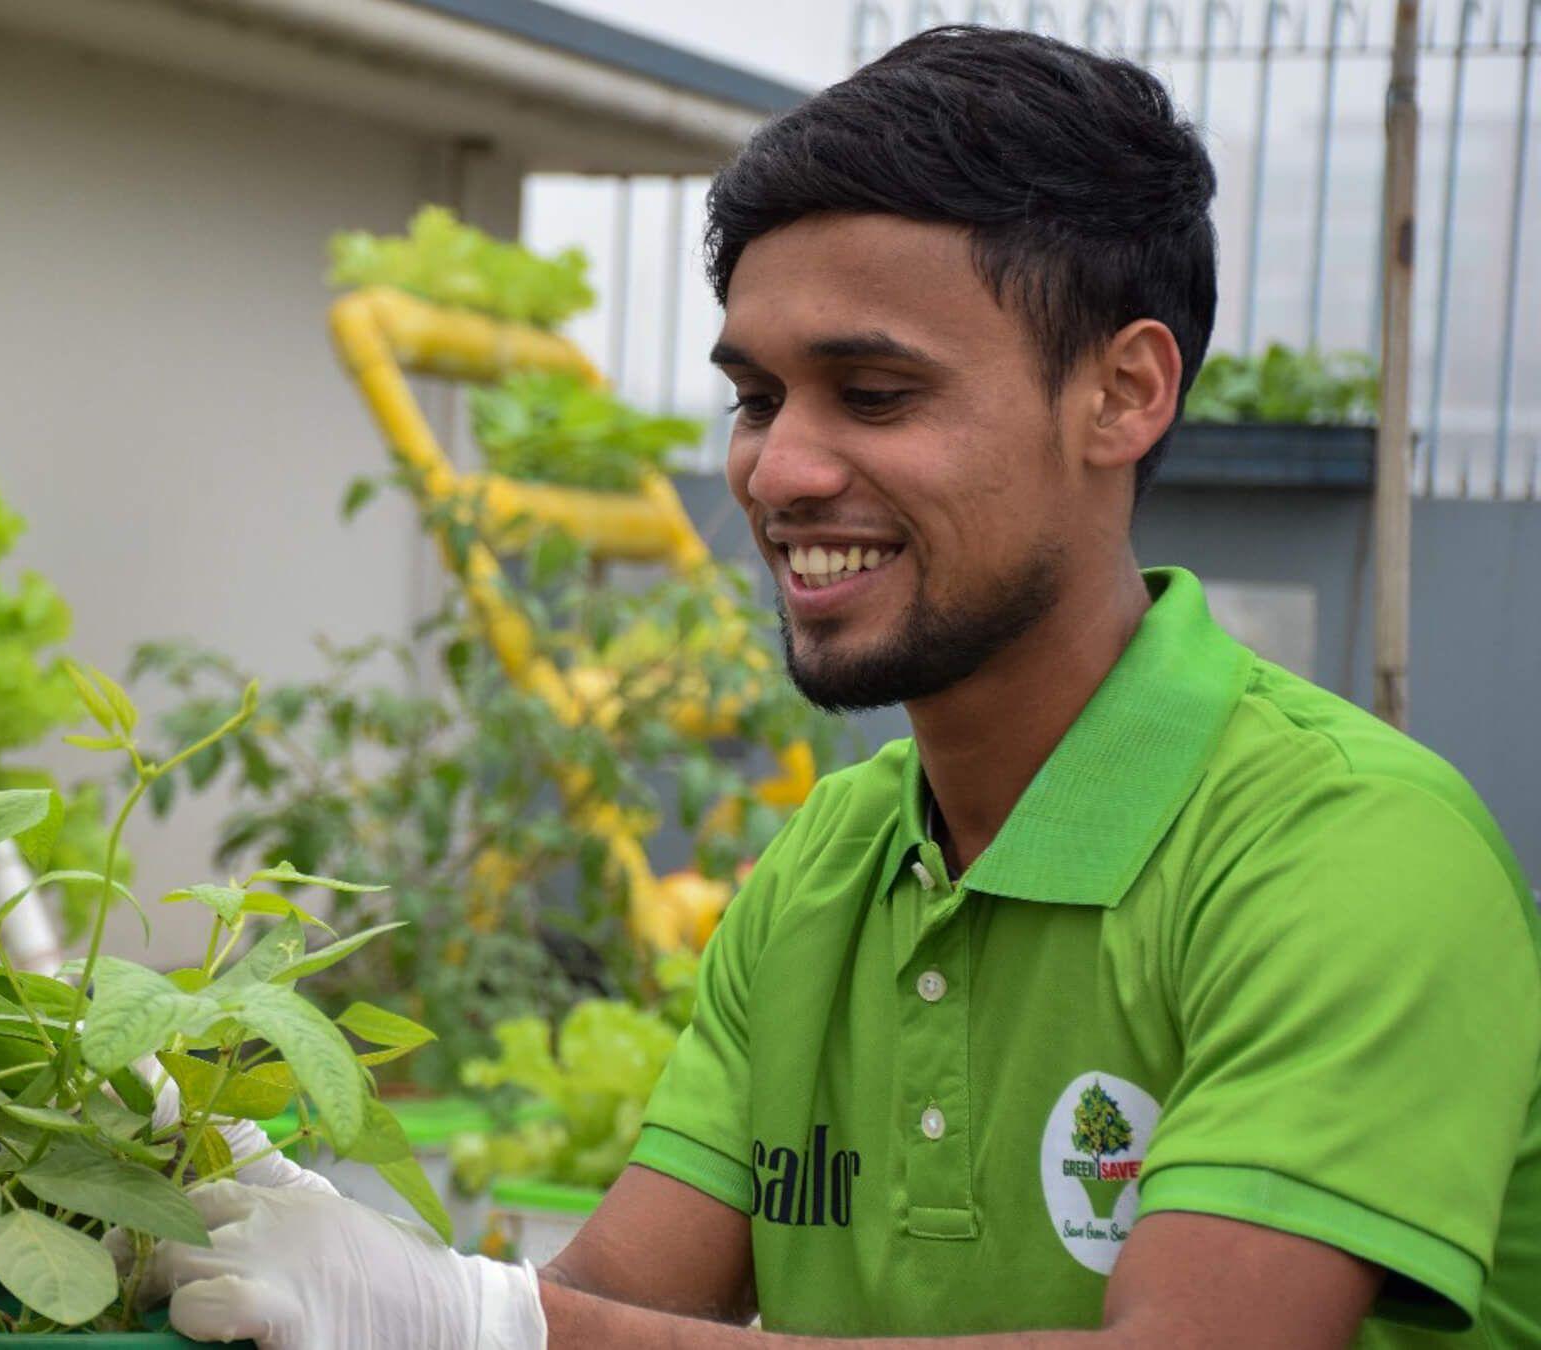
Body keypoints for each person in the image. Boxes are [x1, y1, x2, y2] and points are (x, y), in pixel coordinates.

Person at [138, 25, 1541, 1349]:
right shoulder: (830, 870)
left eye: (874, 395)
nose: (779, 469)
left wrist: (482, 1319)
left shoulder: (1345, 852)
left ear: (1122, 394)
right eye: (756, 397)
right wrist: (317, 1252)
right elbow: (616, 1300)